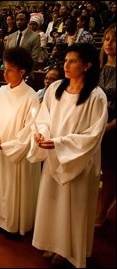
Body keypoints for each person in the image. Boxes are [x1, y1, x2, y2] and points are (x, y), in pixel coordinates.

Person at [27, 43, 107, 268]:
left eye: (73, 61)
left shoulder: (95, 96)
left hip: (77, 160)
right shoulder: (55, 89)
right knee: (53, 202)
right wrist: (41, 134)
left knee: (74, 206)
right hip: (55, 157)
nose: (67, 65)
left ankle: (70, 250)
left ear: (87, 65)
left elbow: (93, 134)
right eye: (65, 61)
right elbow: (43, 117)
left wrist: (61, 144)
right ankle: (53, 243)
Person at [0, 46, 41, 240]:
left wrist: (8, 146)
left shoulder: (31, 97)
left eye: (10, 70)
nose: (4, 73)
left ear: (22, 72)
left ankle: (16, 225)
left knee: (16, 189)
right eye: (4, 68)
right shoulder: (0, 92)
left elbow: (29, 130)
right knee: (1, 186)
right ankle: (1, 220)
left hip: (16, 154)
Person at [95, 24, 116, 228]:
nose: (108, 43)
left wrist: (108, 127)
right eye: (107, 39)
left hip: (113, 128)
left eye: (114, 40)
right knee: (96, 169)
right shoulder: (98, 66)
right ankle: (96, 207)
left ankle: (101, 213)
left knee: (110, 171)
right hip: (96, 124)